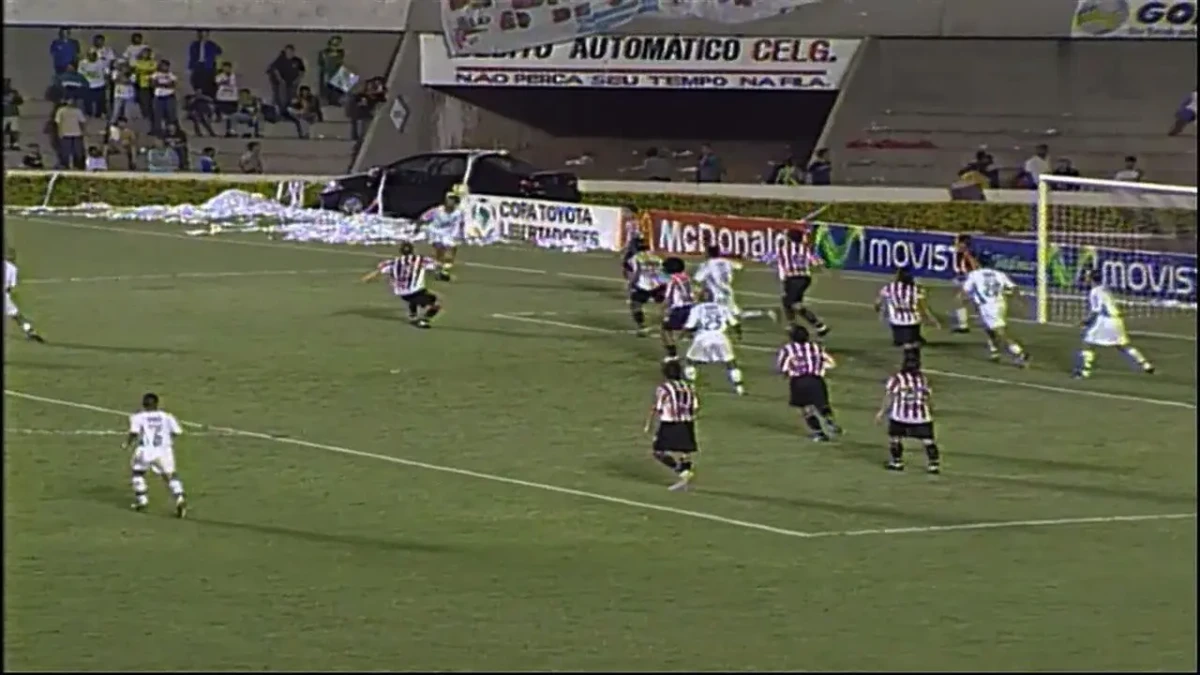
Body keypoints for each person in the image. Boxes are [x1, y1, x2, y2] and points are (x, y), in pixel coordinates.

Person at [1073, 268, 1155, 378]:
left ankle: (1085, 372)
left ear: (1091, 279)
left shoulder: (1094, 292)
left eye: (1087, 276)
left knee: (1087, 343)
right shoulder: (1105, 289)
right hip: (1117, 321)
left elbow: (1096, 311)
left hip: (1106, 321)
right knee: (1123, 346)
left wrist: (1086, 322)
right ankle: (1146, 365)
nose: (1085, 278)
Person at [123, 392, 188, 517]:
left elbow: (134, 433)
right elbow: (177, 432)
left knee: (138, 473)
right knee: (170, 475)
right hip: (164, 451)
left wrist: (127, 443)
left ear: (143, 404)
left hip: (145, 450)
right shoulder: (167, 416)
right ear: (157, 404)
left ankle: (142, 500)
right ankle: (179, 497)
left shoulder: (138, 417)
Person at [876, 352, 941, 474]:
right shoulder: (923, 379)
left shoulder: (897, 379)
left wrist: (882, 412)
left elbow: (890, 397)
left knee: (895, 438)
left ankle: (897, 462)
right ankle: (933, 464)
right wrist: (931, 410)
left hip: (900, 416)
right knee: (928, 441)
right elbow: (927, 397)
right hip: (921, 416)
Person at [960, 253, 1029, 366]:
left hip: (988, 306)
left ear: (978, 262)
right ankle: (995, 351)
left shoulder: (975, 274)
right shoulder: (999, 274)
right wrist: (1019, 300)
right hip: (1000, 303)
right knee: (989, 328)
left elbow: (965, 290)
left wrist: (961, 299)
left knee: (999, 332)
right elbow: (1014, 287)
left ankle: (1019, 352)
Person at [644, 359, 699, 492]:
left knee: (658, 451)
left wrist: (649, 424)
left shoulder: (664, 388)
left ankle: (682, 472)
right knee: (685, 451)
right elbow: (695, 406)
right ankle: (685, 479)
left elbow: (658, 408)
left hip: (670, 422)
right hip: (688, 422)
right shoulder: (689, 387)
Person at [776, 325, 840, 441]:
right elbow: (831, 363)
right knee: (822, 404)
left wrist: (789, 372)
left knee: (806, 409)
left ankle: (819, 433)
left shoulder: (788, 349)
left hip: (799, 381)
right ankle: (829, 421)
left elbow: (783, 367)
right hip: (816, 380)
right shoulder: (816, 347)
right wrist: (819, 367)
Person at [359, 241, 444, 329]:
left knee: (420, 295)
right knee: (437, 303)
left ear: (401, 251)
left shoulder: (394, 262)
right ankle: (423, 321)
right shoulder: (421, 259)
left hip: (402, 293)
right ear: (413, 250)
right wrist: (439, 254)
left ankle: (413, 315)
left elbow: (379, 271)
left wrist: (366, 279)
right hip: (415, 291)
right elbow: (438, 265)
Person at [693, 244, 773, 334]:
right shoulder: (727, 261)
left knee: (716, 313)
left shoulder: (707, 265)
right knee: (737, 314)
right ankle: (765, 313)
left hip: (717, 294)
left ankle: (707, 330)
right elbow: (740, 266)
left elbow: (697, 279)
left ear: (708, 253)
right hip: (728, 291)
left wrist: (698, 291)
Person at [682, 289, 745, 395]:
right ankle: (739, 387)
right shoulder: (722, 307)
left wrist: (682, 335)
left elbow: (690, 326)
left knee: (690, 360)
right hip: (720, 337)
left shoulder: (697, 309)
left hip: (703, 337)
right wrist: (739, 334)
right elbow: (734, 323)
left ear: (701, 298)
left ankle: (691, 386)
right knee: (730, 362)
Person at [875, 267, 940, 361]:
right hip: (913, 322)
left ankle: (905, 343)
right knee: (913, 342)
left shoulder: (889, 288)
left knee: (903, 342)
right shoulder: (916, 290)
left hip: (896, 322)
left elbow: (877, 303)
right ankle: (913, 346)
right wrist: (932, 320)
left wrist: (880, 311)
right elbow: (923, 308)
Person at [777, 227, 829, 335]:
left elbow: (780, 264)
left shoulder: (784, 249)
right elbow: (817, 262)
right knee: (789, 301)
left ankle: (818, 325)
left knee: (793, 303)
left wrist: (783, 278)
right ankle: (793, 325)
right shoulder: (806, 249)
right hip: (804, 278)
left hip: (792, 278)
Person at [418, 189, 465, 281]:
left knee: (452, 246)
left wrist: (460, 233)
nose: (450, 203)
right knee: (439, 248)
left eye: (453, 201)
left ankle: (445, 263)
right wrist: (419, 226)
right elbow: (423, 217)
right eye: (449, 200)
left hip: (447, 232)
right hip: (434, 231)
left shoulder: (458, 213)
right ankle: (438, 265)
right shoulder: (437, 211)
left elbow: (461, 223)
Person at [5, 248, 45, 343]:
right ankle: (30, 331)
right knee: (17, 316)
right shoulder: (13, 269)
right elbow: (12, 286)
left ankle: (30, 331)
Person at [626, 240, 665, 337]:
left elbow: (637, 272)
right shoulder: (656, 257)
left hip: (643, 284)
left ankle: (641, 325)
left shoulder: (636, 257)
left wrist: (631, 284)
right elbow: (664, 271)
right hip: (658, 283)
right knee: (665, 305)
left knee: (635, 305)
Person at [659, 257, 694, 361]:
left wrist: (662, 309)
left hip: (679, 309)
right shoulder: (686, 277)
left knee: (665, 330)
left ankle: (672, 355)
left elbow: (668, 298)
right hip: (691, 307)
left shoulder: (672, 280)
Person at [949, 234, 979, 333]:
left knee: (960, 301)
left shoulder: (967, 254)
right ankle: (963, 324)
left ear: (963, 244)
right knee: (962, 301)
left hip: (967, 280)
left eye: (957, 242)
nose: (955, 244)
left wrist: (971, 278)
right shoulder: (960, 253)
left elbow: (975, 267)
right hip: (963, 279)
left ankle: (963, 325)